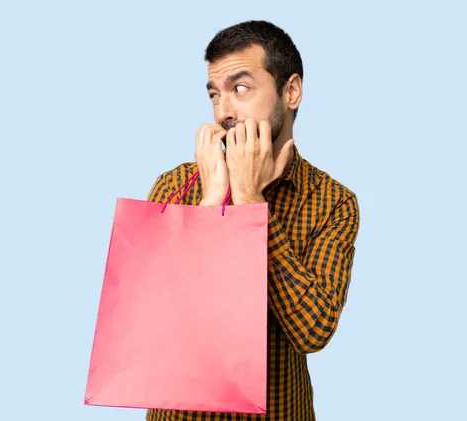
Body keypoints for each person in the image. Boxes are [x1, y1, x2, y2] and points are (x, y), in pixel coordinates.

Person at [145, 20, 360, 421]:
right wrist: (210, 204)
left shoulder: (334, 202)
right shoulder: (175, 187)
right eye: (214, 95)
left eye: (240, 89)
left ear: (291, 91)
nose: (223, 112)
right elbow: (154, 323)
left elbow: (313, 331)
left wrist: (249, 201)